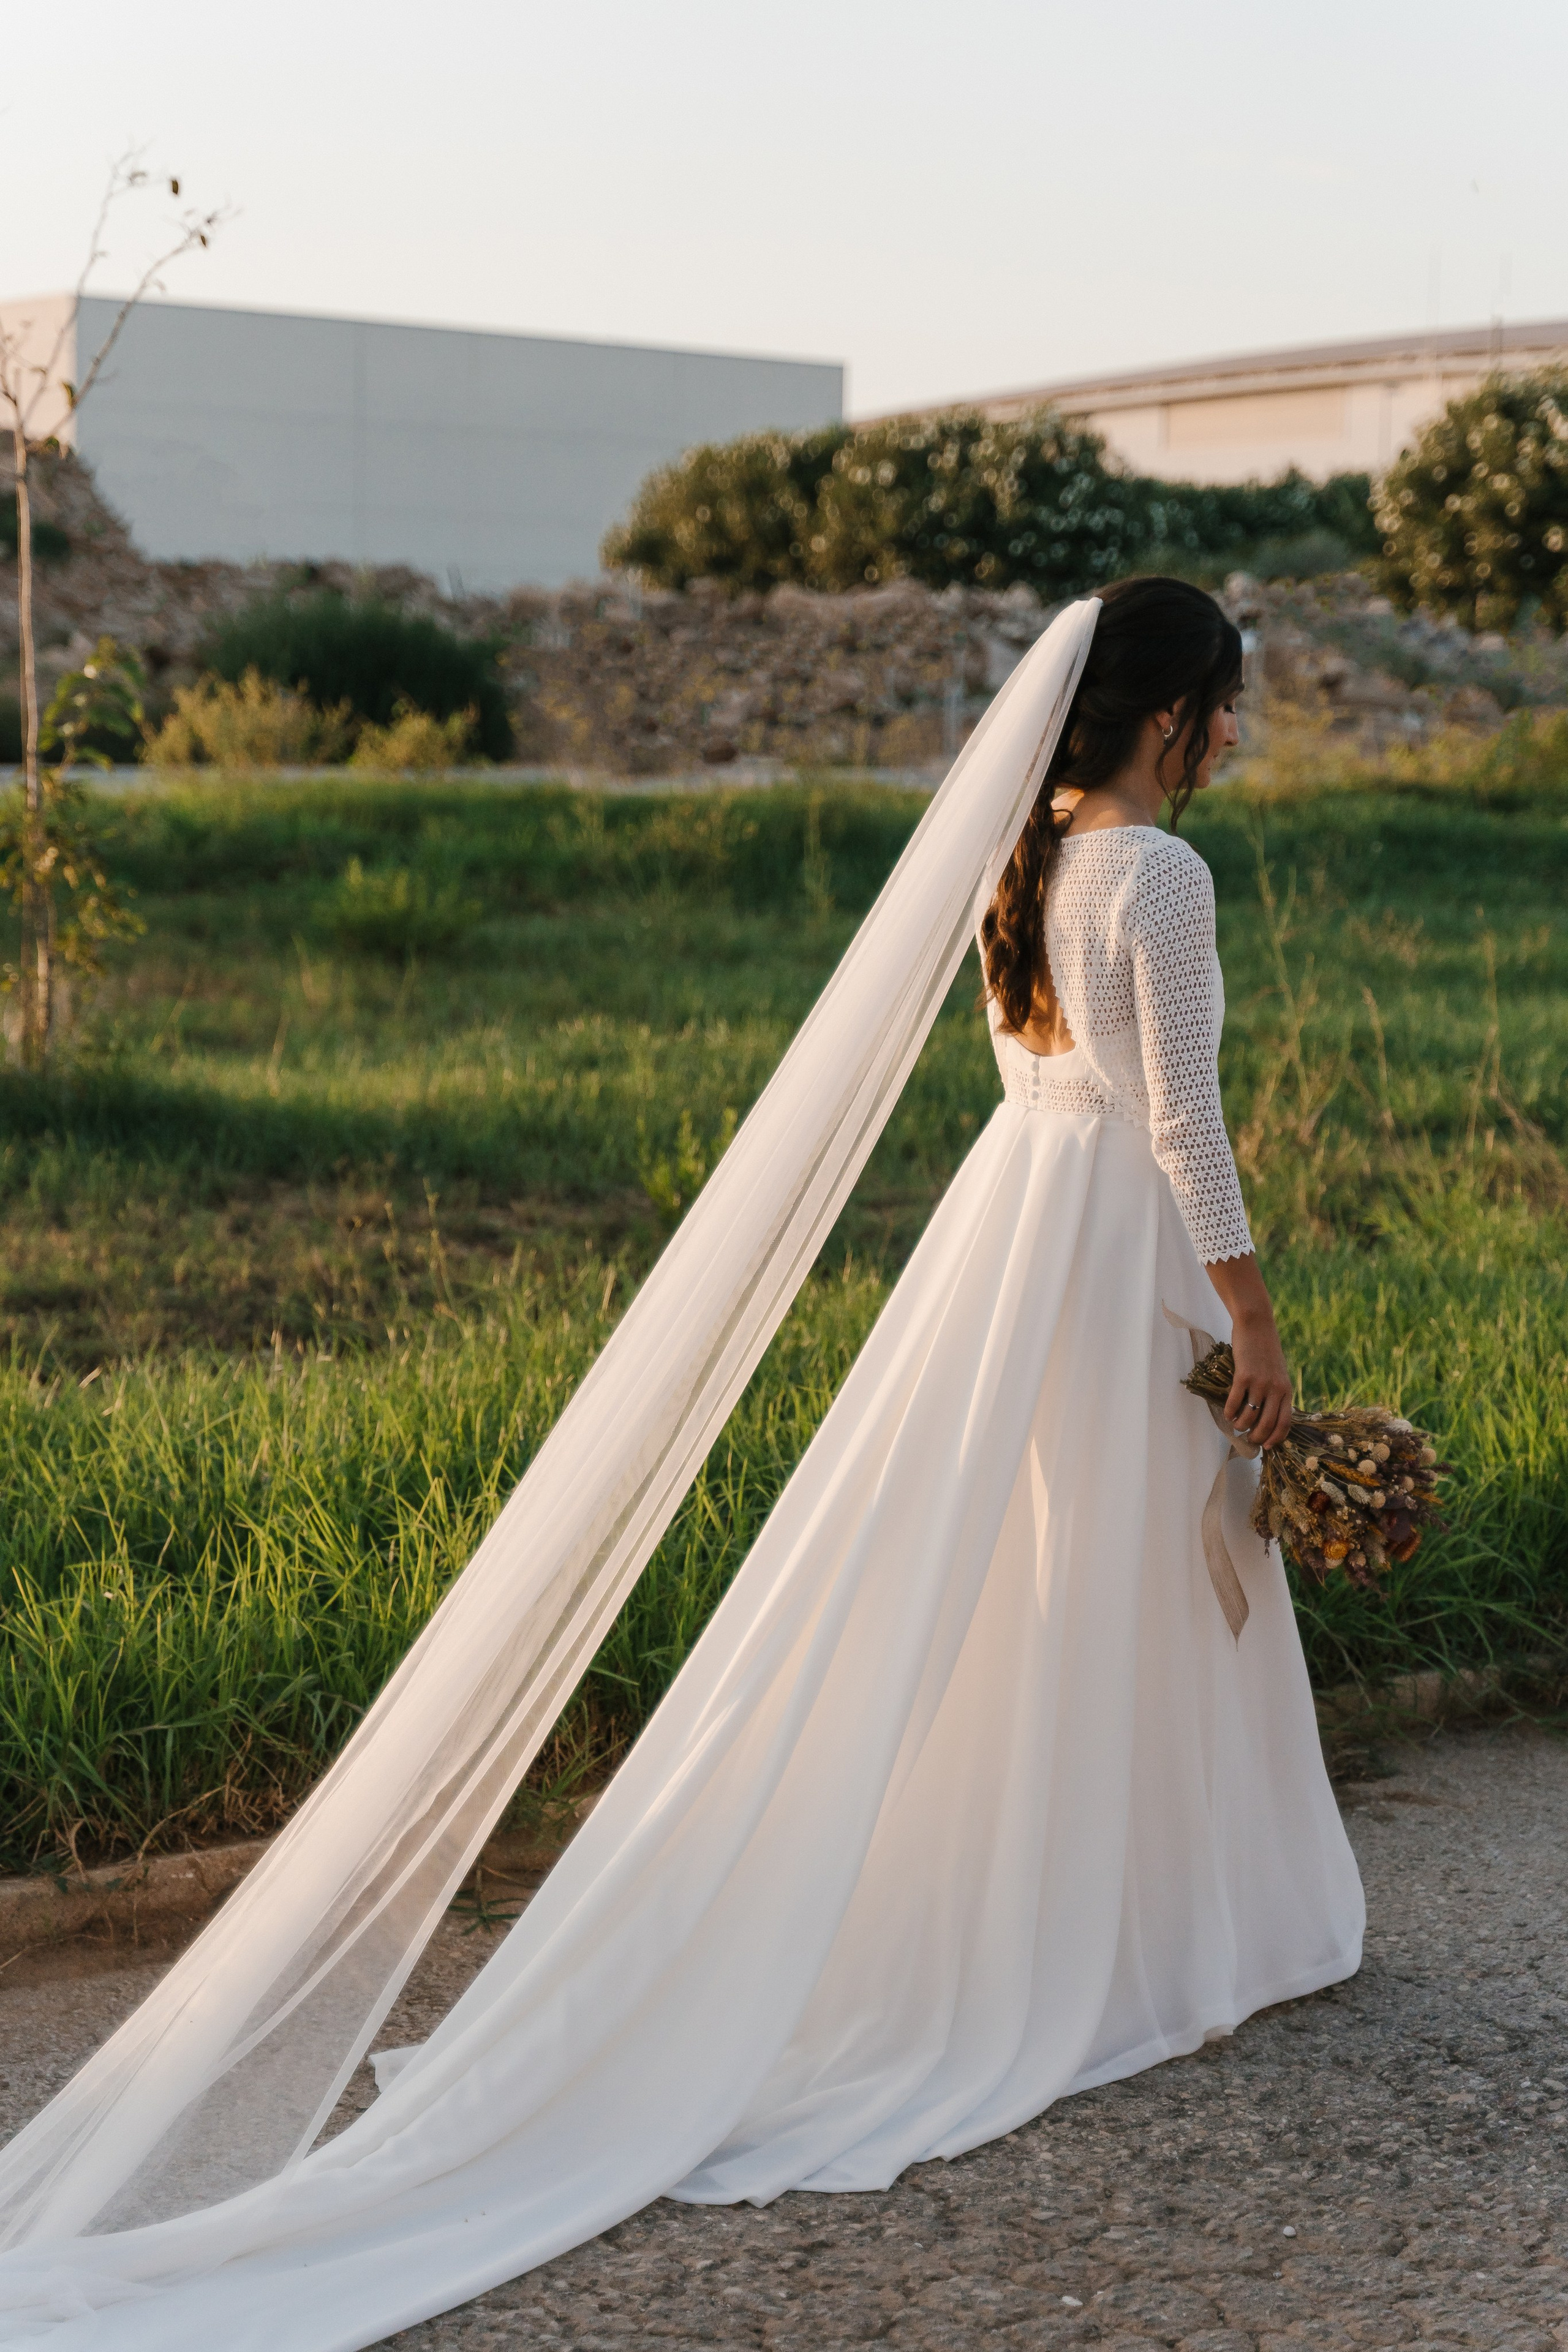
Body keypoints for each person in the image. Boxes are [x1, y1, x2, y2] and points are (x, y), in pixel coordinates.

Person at [0, 581, 1362, 2352]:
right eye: (1226, 708)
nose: (1237, 737)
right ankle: (1150, 1932)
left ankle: (1092, 1916)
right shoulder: (1159, 875)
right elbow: (1180, 1114)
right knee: (1120, 1571)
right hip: (1112, 1241)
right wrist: (1254, 1321)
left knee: (1041, 1566)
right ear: (1170, 715)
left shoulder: (1021, 857)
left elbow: (1056, 1072)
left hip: (1011, 1228)